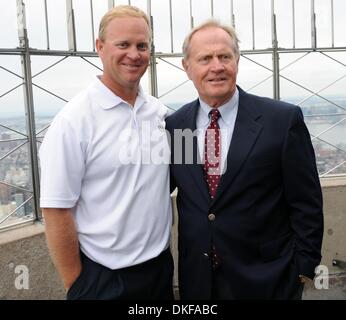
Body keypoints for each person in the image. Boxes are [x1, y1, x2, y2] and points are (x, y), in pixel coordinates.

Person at [166, 20, 324, 299]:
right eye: (205, 58)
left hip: (268, 280)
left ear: (237, 60)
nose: (217, 66)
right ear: (187, 67)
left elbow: (306, 202)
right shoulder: (177, 126)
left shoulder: (282, 120)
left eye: (224, 56)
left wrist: (303, 268)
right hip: (200, 281)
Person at [39, 5, 173, 300]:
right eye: (122, 44)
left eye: (142, 45)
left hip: (159, 270)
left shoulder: (158, 113)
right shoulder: (73, 122)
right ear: (99, 47)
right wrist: (78, 286)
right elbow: (55, 209)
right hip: (103, 278)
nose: (134, 54)